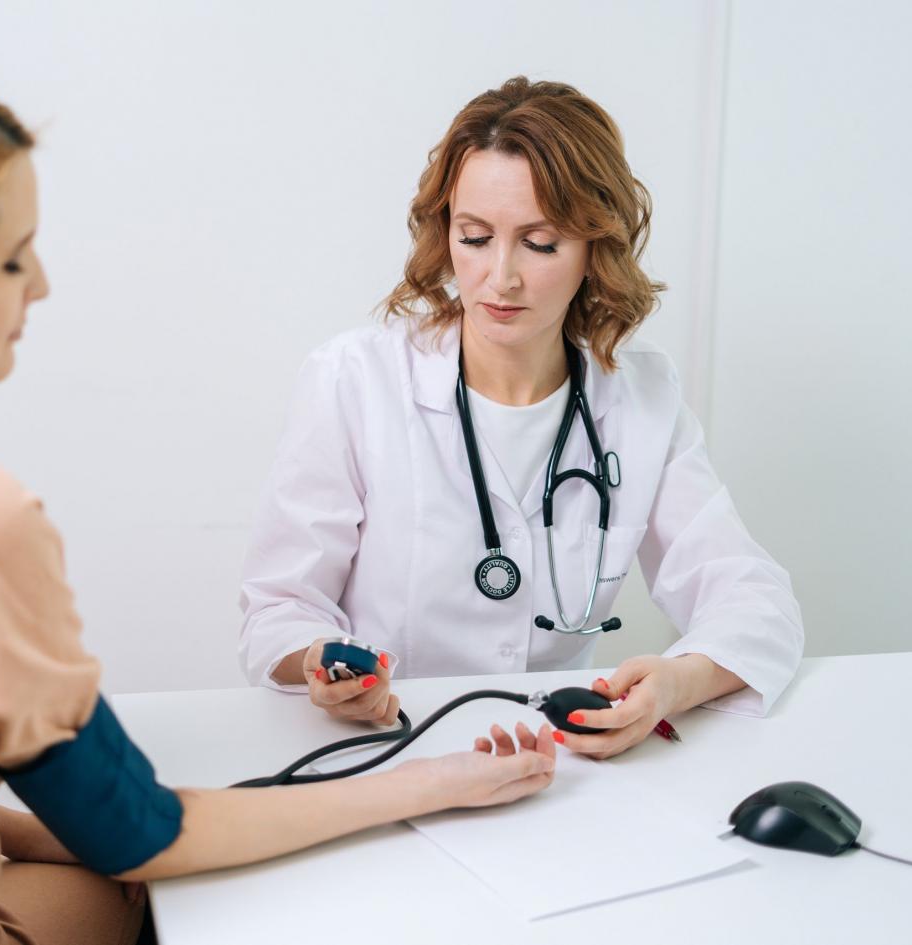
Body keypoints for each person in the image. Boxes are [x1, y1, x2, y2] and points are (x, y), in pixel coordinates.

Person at [0, 58, 561, 945]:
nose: (41, 285)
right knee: (141, 896)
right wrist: (434, 783)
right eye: (13, 260)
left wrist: (47, 837)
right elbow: (145, 834)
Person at [238, 76, 804, 760]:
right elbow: (277, 608)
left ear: (597, 247)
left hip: (557, 760)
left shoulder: (640, 394)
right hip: (383, 750)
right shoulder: (353, 380)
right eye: (474, 237)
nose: (498, 277)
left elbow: (754, 600)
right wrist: (318, 662)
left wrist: (678, 681)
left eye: (539, 244)